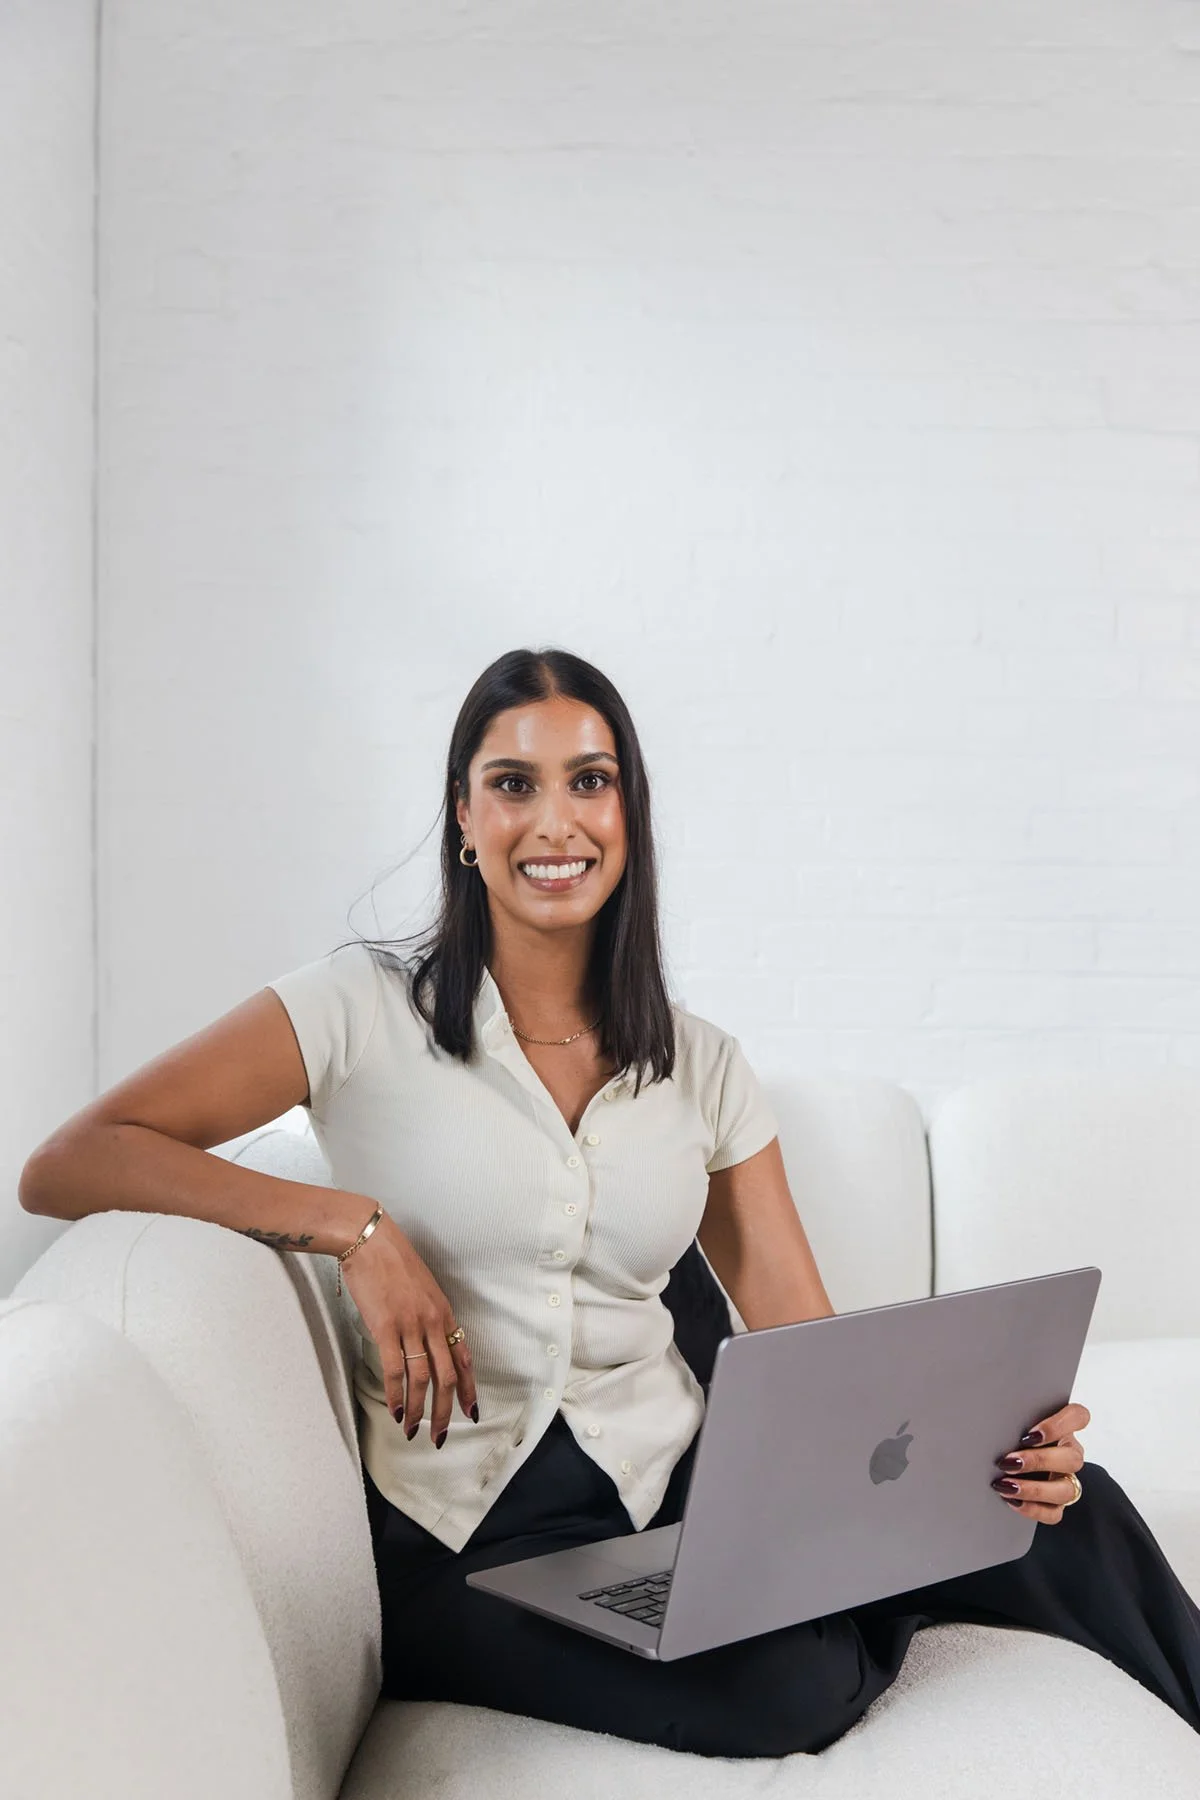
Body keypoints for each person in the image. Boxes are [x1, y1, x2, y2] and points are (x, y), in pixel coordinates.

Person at [21, 645, 1200, 1757]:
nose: (556, 820)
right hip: (476, 1545)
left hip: (689, 1491)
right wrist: (350, 1225)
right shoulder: (354, 1008)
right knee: (787, 1688)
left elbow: (800, 1328)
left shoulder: (702, 1064)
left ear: (627, 816)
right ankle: (843, 1602)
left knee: (1070, 1505)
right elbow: (72, 1158)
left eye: (590, 781)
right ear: (465, 819)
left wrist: (966, 1455)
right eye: (513, 784)